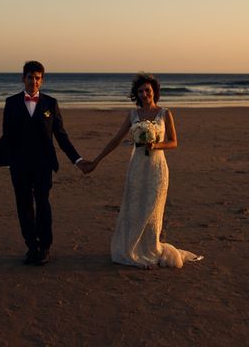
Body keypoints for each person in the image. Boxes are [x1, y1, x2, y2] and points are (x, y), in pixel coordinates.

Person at [86, 73, 203, 268]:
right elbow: (116, 140)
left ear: (154, 91)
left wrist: (155, 146)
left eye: (147, 90)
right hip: (137, 167)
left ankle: (150, 250)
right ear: (136, 94)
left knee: (153, 209)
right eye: (140, 91)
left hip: (157, 168)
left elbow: (174, 142)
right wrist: (96, 160)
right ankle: (133, 251)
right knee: (134, 209)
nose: (144, 94)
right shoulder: (133, 115)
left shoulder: (164, 113)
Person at [0, 61, 90, 266]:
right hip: (19, 165)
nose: (34, 81)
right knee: (24, 205)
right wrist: (10, 161)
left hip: (44, 164)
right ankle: (31, 246)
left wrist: (77, 159)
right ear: (23, 79)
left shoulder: (50, 103)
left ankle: (45, 247)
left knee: (43, 203)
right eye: (30, 77)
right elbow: (7, 135)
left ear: (42, 80)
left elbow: (61, 135)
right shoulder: (11, 103)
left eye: (38, 78)